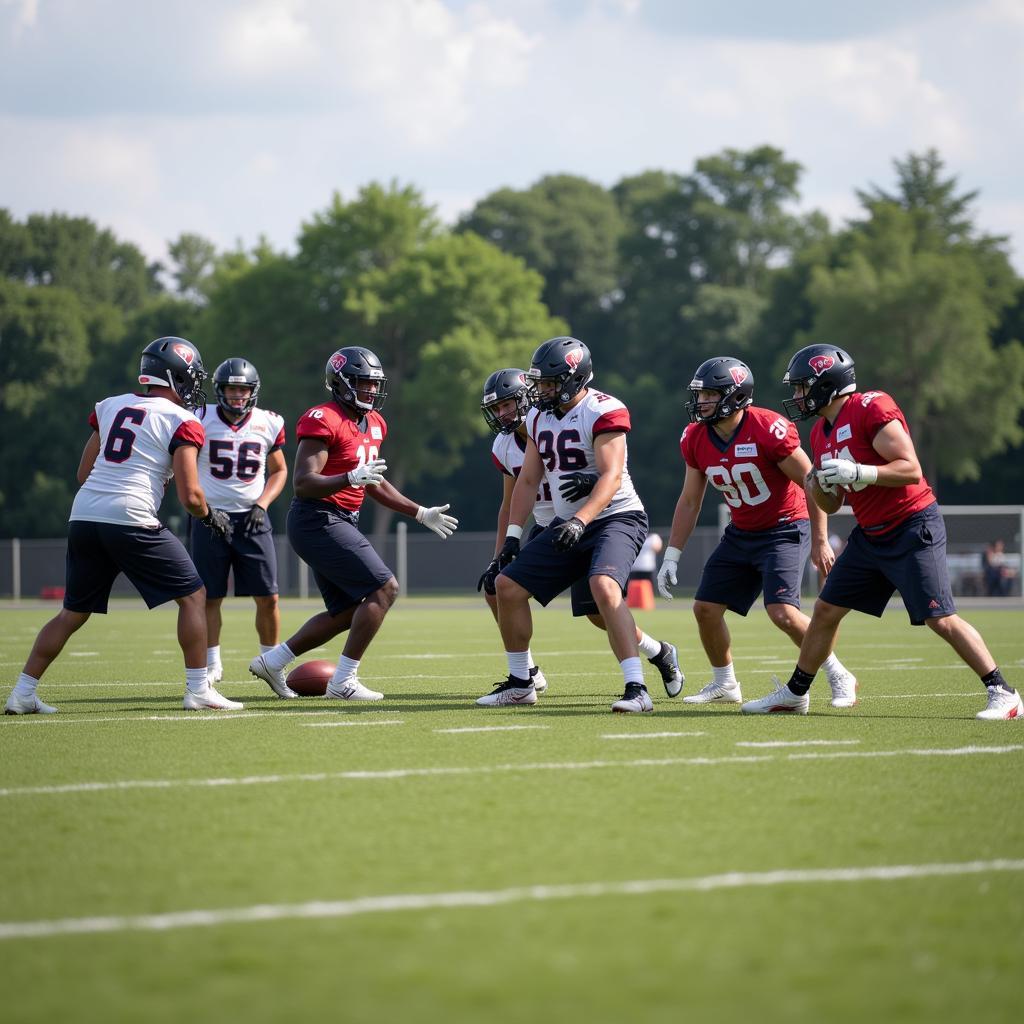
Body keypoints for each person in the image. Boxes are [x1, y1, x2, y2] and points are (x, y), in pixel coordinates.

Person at [741, 343, 1022, 721]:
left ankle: (1003, 692)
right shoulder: (821, 433)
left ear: (827, 384)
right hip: (870, 534)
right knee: (824, 610)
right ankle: (795, 692)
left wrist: (859, 472)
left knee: (940, 617)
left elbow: (910, 469)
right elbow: (832, 503)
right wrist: (819, 487)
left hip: (912, 525)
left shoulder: (870, 408)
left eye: (802, 387)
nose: (797, 396)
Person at [5, 336, 241, 715]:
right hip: (130, 517)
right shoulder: (182, 420)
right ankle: (199, 689)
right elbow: (191, 496)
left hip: (84, 515)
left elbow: (84, 472)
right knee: (194, 596)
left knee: (72, 612)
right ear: (175, 376)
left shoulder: (110, 405)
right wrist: (211, 517)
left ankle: (22, 692)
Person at [480, 337, 682, 714]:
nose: (541, 392)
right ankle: (522, 682)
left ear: (575, 379)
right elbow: (526, 482)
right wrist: (511, 538)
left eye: (550, 384)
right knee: (505, 586)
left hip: (615, 517)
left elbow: (612, 476)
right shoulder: (538, 417)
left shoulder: (602, 409)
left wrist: (580, 519)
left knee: (603, 587)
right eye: (539, 384)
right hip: (566, 521)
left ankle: (636, 689)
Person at [248, 346, 458, 702]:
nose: (371, 391)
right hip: (316, 518)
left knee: (347, 610)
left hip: (340, 520)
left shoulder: (375, 423)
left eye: (374, 384)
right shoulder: (323, 418)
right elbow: (303, 481)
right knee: (385, 589)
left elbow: (372, 480)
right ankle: (344, 681)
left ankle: (273, 660)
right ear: (340, 384)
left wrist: (420, 512)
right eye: (362, 383)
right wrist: (349, 476)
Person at [657, 356, 856, 707]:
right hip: (742, 531)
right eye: (700, 395)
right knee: (704, 608)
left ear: (734, 396)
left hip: (785, 528)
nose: (701, 402)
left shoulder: (767, 428)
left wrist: (820, 540)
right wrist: (672, 554)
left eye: (710, 395)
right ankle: (726, 683)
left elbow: (814, 483)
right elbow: (689, 501)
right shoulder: (696, 437)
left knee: (782, 612)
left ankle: (838, 673)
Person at [192, 357, 289, 694]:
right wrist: (203, 508)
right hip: (210, 518)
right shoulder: (200, 418)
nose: (237, 396)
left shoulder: (269, 422)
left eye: (243, 389)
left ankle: (271, 663)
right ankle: (211, 663)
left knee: (269, 597)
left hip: (252, 519)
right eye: (232, 389)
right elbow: (185, 465)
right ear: (220, 390)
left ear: (253, 391)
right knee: (209, 597)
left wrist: (262, 504)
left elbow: (279, 471)